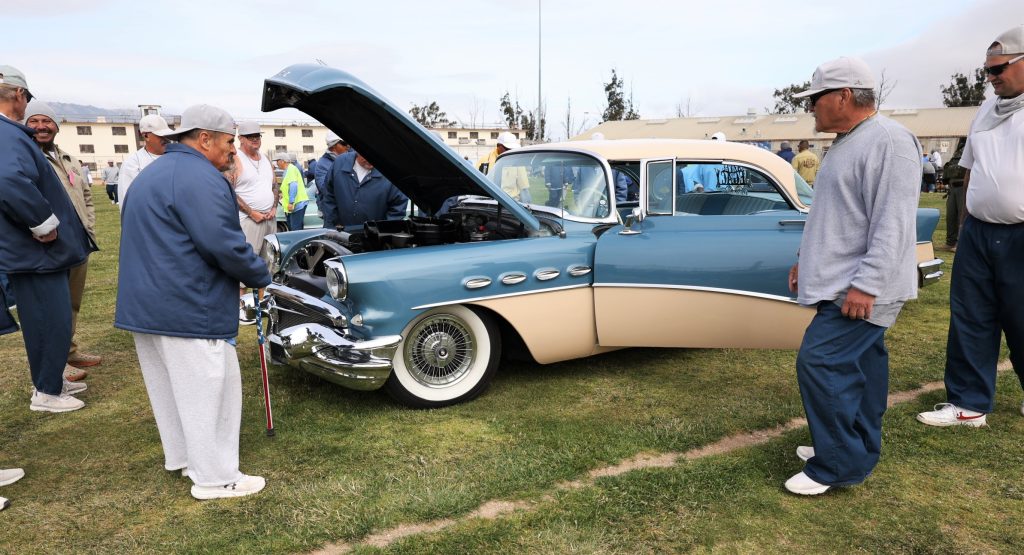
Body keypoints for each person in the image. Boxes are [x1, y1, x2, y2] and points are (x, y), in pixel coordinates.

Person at [116, 104, 271, 500]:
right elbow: (223, 243)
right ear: (204, 138)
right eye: (228, 141)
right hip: (187, 303)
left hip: (147, 303)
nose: (233, 149)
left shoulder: (153, 172)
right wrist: (260, 274)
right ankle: (215, 477)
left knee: (171, 389)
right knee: (210, 389)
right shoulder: (201, 177)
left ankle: (186, 458)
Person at [785, 56, 921, 496]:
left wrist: (867, 285)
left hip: (859, 287)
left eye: (816, 98)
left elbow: (892, 223)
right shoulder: (847, 142)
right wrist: (805, 259)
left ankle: (837, 464)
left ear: (844, 96)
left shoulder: (890, 141)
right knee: (863, 368)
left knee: (820, 361)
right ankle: (852, 448)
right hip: (840, 282)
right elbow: (834, 214)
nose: (811, 108)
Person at [917, 25, 1024, 428]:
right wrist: (964, 230)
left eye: (999, 69)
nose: (991, 77)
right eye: (987, 70)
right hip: (979, 231)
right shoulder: (985, 109)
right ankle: (969, 403)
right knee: (970, 315)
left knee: (1020, 317)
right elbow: (970, 170)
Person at [0, 65, 93, 413]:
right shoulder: (6, 133)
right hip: (35, 252)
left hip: (37, 254)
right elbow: (9, 180)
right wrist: (42, 223)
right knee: (46, 319)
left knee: (53, 318)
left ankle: (51, 379)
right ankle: (47, 392)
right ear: (19, 94)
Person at [24, 101, 101, 380]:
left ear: (56, 126)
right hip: (47, 247)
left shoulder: (68, 158)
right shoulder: (25, 157)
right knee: (51, 306)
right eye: (34, 121)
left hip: (77, 244)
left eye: (47, 121)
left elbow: (87, 196)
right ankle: (54, 361)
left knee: (71, 303)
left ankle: (68, 351)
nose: (41, 126)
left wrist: (88, 228)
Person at [225, 121, 277, 321]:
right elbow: (229, 191)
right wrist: (251, 212)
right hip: (248, 220)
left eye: (258, 136)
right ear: (241, 139)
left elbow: (274, 185)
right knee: (245, 263)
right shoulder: (235, 159)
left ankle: (261, 306)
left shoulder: (265, 158)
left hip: (269, 218)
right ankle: (240, 309)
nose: (255, 139)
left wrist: (274, 207)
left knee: (268, 263)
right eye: (251, 136)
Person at [321, 150, 408, 229]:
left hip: (375, 236)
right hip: (340, 233)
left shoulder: (390, 171)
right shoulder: (339, 163)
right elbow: (328, 196)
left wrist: (383, 232)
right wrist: (332, 226)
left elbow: (398, 207)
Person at [117, 114, 171, 210]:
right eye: (160, 135)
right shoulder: (132, 164)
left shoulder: (174, 157)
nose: (166, 139)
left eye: (167, 135)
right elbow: (126, 201)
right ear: (146, 136)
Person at [477, 132, 531, 203]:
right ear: (499, 146)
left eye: (513, 148)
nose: (510, 151)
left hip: (511, 202)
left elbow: (524, 188)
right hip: (491, 202)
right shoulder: (485, 160)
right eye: (507, 148)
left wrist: (527, 204)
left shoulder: (517, 161)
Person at [274, 151, 308, 230]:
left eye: (277, 161)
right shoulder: (288, 170)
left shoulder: (291, 169)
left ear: (282, 161)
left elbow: (293, 185)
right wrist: (283, 194)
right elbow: (288, 186)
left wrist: (291, 202)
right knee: (294, 228)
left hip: (297, 204)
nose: (276, 163)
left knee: (295, 229)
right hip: (295, 204)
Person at [315, 131, 349, 203]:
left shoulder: (348, 158)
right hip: (332, 207)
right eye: (344, 143)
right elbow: (325, 189)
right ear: (333, 147)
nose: (347, 146)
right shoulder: (322, 165)